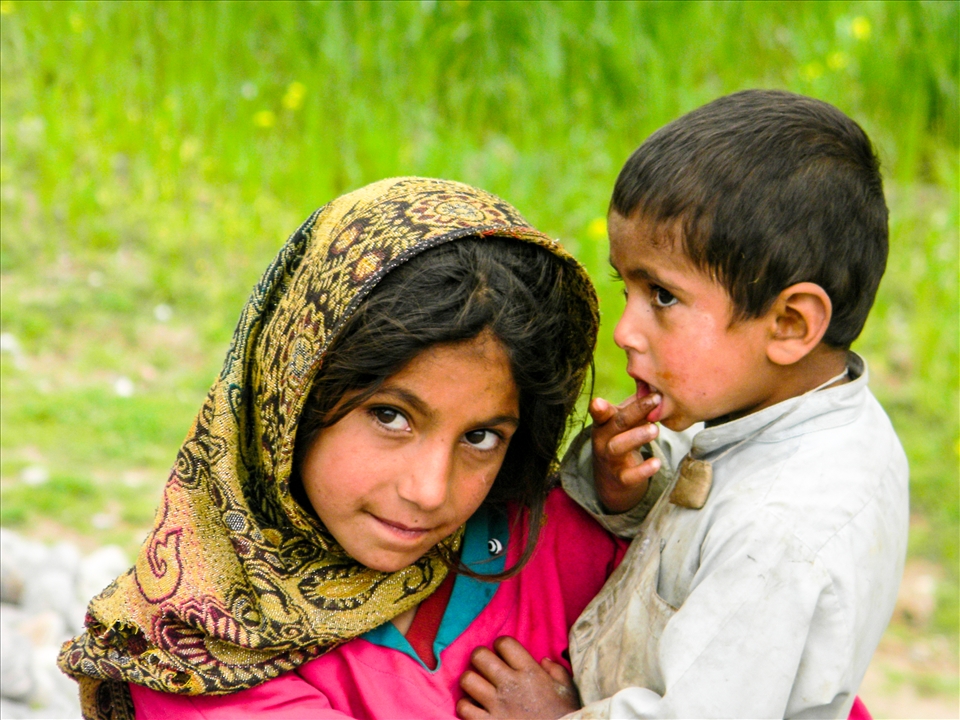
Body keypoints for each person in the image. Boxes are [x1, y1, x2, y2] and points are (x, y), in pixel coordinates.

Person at [57, 177, 627, 720]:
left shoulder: (570, 542)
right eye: (390, 415)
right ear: (292, 394)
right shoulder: (202, 654)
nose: (430, 492)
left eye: (480, 437)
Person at [457, 90, 908, 720]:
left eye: (662, 296)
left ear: (788, 323)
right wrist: (625, 487)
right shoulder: (777, 407)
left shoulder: (781, 534)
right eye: (628, 287)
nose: (624, 331)